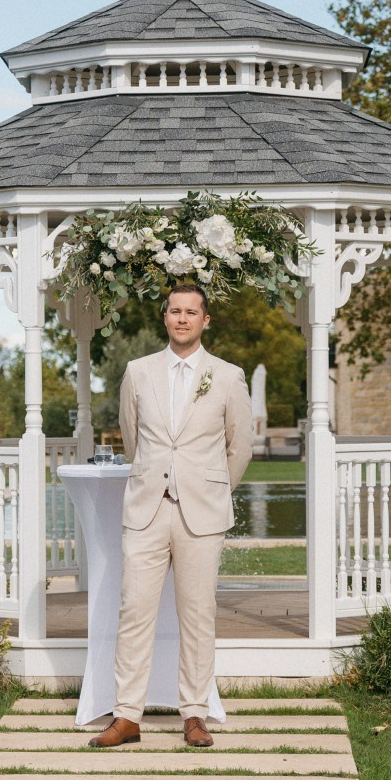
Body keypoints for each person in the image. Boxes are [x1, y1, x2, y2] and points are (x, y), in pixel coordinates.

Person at [90, 283, 250, 750]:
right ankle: (127, 717)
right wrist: (155, 480)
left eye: (191, 312)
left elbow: (238, 446)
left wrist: (211, 486)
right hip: (146, 509)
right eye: (175, 311)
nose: (182, 319)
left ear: (206, 321)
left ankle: (195, 714)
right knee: (133, 610)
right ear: (165, 318)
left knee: (198, 614)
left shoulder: (227, 376)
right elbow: (132, 435)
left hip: (202, 512)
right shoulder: (137, 373)